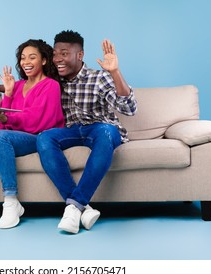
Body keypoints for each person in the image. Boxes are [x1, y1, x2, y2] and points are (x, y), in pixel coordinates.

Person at [36, 30, 137, 234]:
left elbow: (129, 109)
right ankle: (83, 208)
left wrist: (115, 72)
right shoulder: (54, 81)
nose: (57, 59)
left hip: (101, 130)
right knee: (45, 137)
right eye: (55, 54)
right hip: (72, 132)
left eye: (64, 54)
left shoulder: (98, 77)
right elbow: (27, 86)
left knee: (107, 132)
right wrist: (2, 90)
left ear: (80, 55)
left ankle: (74, 206)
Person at [0, 39, 65, 229]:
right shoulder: (17, 85)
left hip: (39, 137)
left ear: (44, 61)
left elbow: (36, 122)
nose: (26, 62)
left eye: (32, 57)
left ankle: (11, 200)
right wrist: (7, 93)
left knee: (0, 137)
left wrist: (6, 119)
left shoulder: (51, 86)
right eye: (23, 58)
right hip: (12, 137)